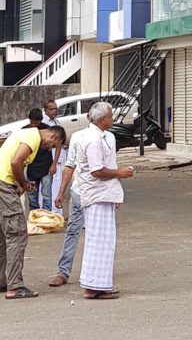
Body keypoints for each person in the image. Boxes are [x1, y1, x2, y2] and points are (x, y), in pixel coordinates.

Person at [0, 120, 65, 299]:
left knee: (3, 233)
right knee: (17, 232)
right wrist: (22, 183)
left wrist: (20, 184)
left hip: (5, 182)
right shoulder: (33, 136)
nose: (49, 148)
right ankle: (15, 285)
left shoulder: (28, 135)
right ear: (52, 136)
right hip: (3, 184)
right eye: (53, 145)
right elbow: (15, 162)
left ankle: (3, 281)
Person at [76, 101, 134, 299]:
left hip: (102, 194)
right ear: (102, 120)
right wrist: (120, 173)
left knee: (102, 241)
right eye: (110, 116)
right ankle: (95, 286)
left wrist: (116, 189)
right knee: (99, 241)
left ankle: (96, 284)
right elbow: (97, 171)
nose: (113, 118)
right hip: (96, 195)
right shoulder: (93, 139)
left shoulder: (102, 137)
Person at [49, 126, 89, 288]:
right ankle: (63, 271)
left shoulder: (108, 138)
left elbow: (111, 167)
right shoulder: (78, 137)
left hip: (100, 196)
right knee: (72, 231)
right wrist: (60, 192)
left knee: (96, 235)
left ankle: (93, 272)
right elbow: (70, 166)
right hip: (79, 192)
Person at [24, 108, 54, 213]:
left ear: (41, 121)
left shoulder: (48, 130)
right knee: (32, 197)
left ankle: (47, 218)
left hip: (46, 168)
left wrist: (54, 164)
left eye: (36, 123)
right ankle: (34, 218)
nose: (34, 125)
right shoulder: (24, 130)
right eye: (32, 123)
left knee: (47, 196)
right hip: (31, 169)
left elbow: (59, 144)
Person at [41, 99, 64, 213]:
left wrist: (55, 163)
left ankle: (56, 212)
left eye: (55, 108)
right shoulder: (43, 124)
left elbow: (59, 144)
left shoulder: (57, 122)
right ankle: (45, 212)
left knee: (56, 186)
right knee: (44, 188)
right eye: (51, 109)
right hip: (45, 160)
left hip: (56, 159)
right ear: (45, 110)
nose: (54, 111)